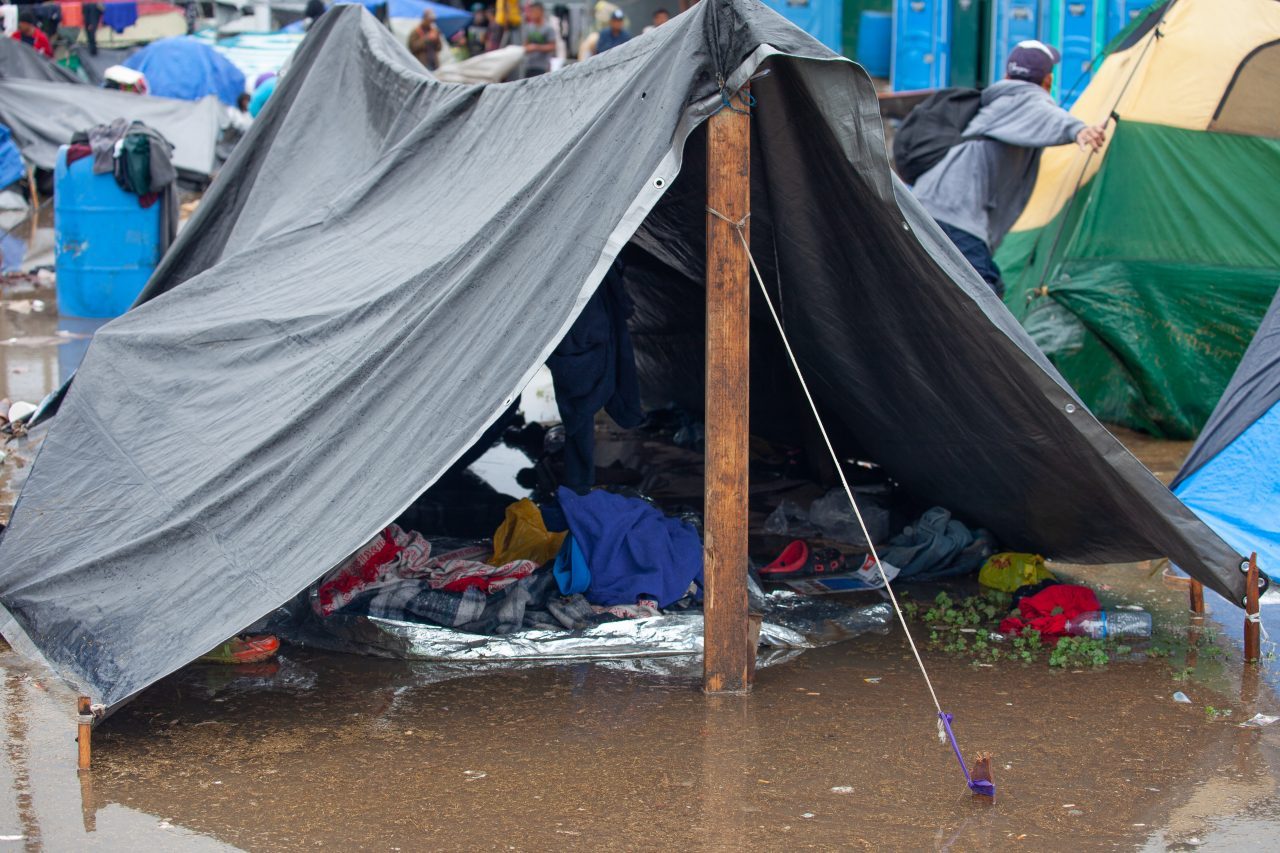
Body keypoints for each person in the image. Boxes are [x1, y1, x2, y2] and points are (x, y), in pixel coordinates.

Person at [911, 40, 1106, 298]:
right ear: (1048, 81)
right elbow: (1048, 116)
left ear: (1005, 74)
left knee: (968, 292)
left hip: (927, 204)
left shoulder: (997, 102)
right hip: (955, 217)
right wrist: (1080, 130)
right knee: (982, 303)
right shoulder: (1028, 102)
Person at [520, 1, 556, 78]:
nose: (532, 14)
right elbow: (525, 45)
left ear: (541, 12)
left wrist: (536, 47)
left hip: (542, 66)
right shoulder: (528, 27)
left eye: (534, 11)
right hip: (529, 66)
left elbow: (552, 46)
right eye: (531, 11)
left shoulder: (548, 28)